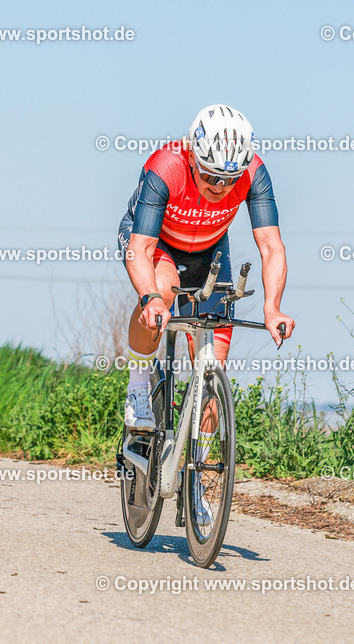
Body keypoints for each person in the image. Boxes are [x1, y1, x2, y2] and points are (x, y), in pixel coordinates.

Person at [117, 104, 295, 434]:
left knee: (212, 369)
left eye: (229, 179)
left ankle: (201, 462)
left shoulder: (254, 173)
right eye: (211, 175)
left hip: (209, 248)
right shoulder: (166, 166)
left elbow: (272, 247)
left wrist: (272, 308)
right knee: (164, 289)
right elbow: (140, 248)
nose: (219, 187)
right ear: (191, 157)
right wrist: (150, 299)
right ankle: (138, 388)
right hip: (156, 240)